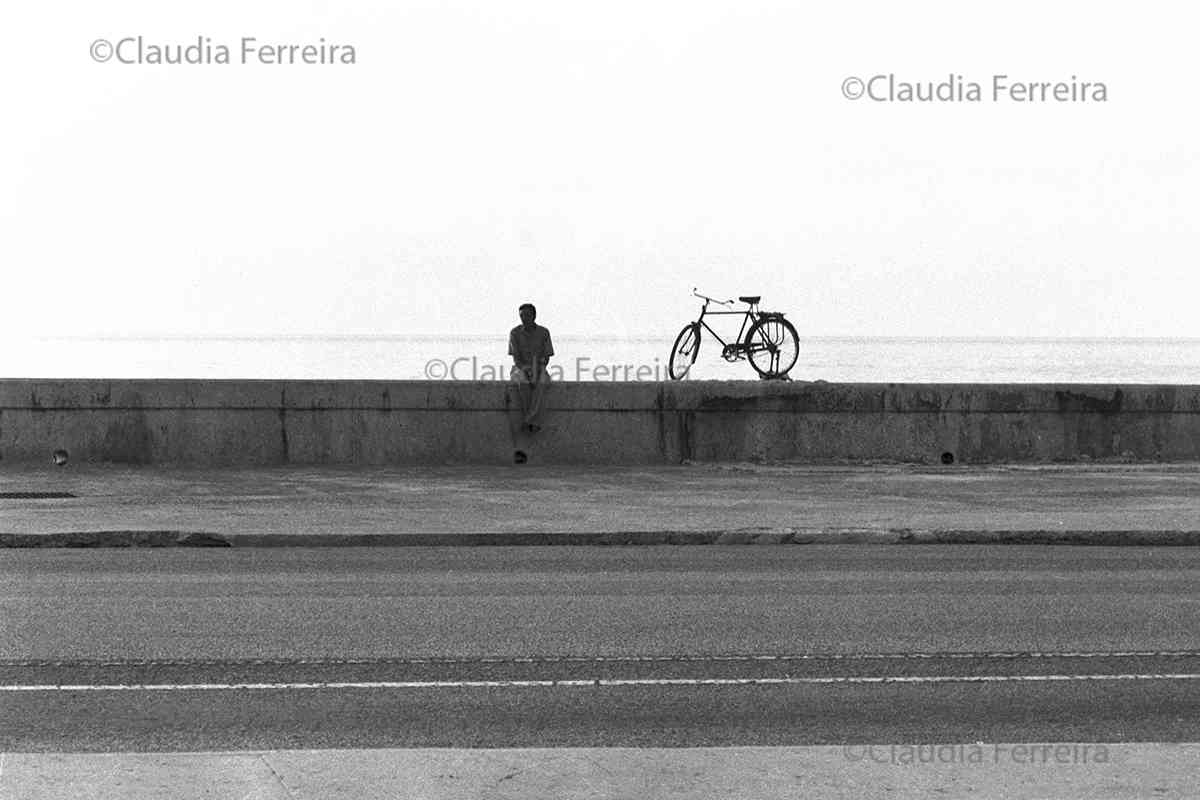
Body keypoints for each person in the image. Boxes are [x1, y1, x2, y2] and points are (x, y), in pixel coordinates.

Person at [508, 303, 553, 436]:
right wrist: (527, 371)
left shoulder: (544, 332)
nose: (524, 318)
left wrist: (537, 370)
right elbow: (516, 359)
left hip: (539, 368)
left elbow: (546, 356)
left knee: (542, 383)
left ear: (534, 316)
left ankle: (529, 420)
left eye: (527, 315)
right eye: (521, 316)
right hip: (519, 369)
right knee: (523, 383)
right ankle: (533, 420)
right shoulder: (515, 333)